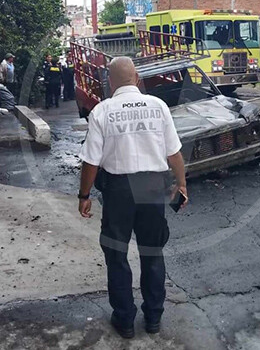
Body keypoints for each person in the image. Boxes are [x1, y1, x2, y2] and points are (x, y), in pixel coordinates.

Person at [77, 56, 186, 339]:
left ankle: (125, 321)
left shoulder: (102, 111)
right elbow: (173, 153)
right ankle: (153, 318)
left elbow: (91, 162)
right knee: (152, 253)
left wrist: (84, 195)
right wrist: (182, 185)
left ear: (110, 82)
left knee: (117, 255)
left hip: (119, 190)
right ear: (137, 78)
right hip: (152, 186)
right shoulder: (158, 106)